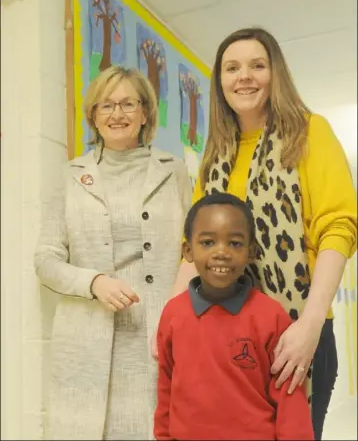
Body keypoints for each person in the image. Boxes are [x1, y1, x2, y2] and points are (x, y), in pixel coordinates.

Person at [160, 27, 357, 440]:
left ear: (275, 73)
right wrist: (171, 321)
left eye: (257, 65)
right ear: (221, 82)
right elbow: (191, 247)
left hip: (295, 329)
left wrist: (308, 324)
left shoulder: (309, 132)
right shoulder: (215, 153)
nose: (244, 76)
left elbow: (338, 228)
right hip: (223, 336)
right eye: (232, 68)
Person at [35, 66, 192, 441]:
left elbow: (191, 251)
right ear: (93, 115)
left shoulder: (175, 172)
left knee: (154, 428)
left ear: (145, 114)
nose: (117, 114)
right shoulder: (70, 176)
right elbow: (45, 258)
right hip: (86, 337)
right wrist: (94, 282)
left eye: (127, 104)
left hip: (153, 332)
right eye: (106, 105)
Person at [154, 193, 314, 441]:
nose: (221, 253)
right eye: (207, 242)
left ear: (251, 252)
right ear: (188, 250)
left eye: (235, 244)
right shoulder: (173, 314)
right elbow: (165, 386)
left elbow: (290, 399)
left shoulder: (272, 316)